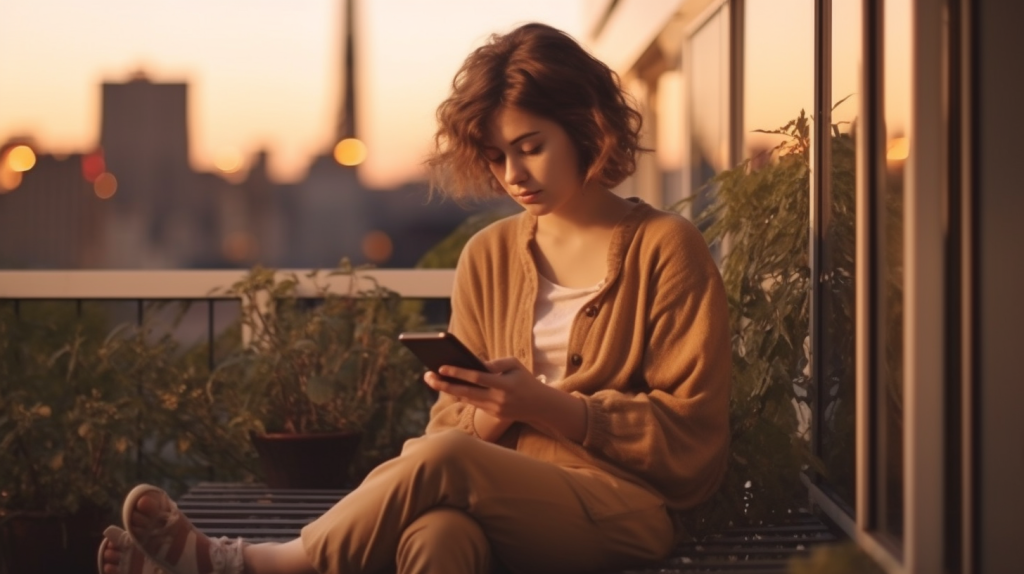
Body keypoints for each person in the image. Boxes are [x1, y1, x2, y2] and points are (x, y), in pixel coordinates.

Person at [97, 22, 731, 574]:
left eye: (531, 147)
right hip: (496, 491)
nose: (513, 174)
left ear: (586, 128)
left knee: (446, 461)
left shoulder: (665, 249)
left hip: (625, 508)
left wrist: (549, 407)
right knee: (436, 536)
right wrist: (495, 410)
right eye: (496, 155)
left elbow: (693, 442)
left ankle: (254, 564)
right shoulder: (488, 255)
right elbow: (454, 428)